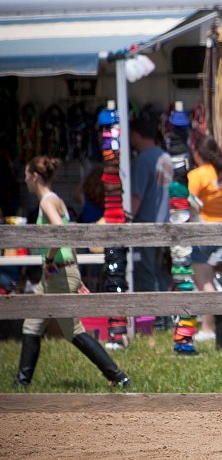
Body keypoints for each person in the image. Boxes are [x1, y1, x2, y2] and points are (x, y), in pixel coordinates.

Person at [14, 156, 130, 387]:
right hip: (60, 273)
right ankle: (21, 382)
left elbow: (59, 232)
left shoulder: (47, 202)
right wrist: (75, 273)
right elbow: (70, 238)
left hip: (56, 273)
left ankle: (118, 376)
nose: (24, 179)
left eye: (26, 175)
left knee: (73, 331)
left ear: (34, 177)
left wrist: (49, 260)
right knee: (32, 324)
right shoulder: (56, 199)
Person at [187, 136, 222, 342]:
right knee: (210, 279)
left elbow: (188, 202)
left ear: (198, 154)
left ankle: (207, 328)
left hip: (202, 229)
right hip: (221, 228)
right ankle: (212, 325)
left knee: (203, 280)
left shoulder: (197, 175)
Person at [130, 112, 173, 294]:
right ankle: (164, 319)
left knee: (146, 275)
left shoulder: (142, 160)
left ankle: (152, 320)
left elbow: (136, 197)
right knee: (160, 272)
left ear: (136, 135)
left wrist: (125, 222)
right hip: (165, 225)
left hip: (145, 226)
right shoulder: (166, 157)